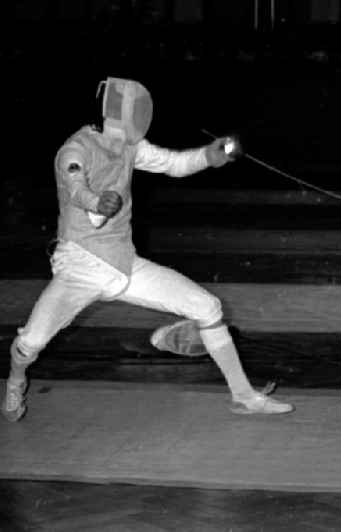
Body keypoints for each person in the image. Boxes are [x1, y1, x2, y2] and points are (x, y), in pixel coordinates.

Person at [2, 77, 294, 422]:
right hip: (79, 268)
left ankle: (244, 396)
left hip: (124, 265)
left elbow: (173, 163)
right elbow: (74, 186)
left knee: (207, 306)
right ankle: (16, 379)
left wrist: (210, 155)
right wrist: (97, 201)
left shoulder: (129, 146)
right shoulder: (74, 150)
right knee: (31, 344)